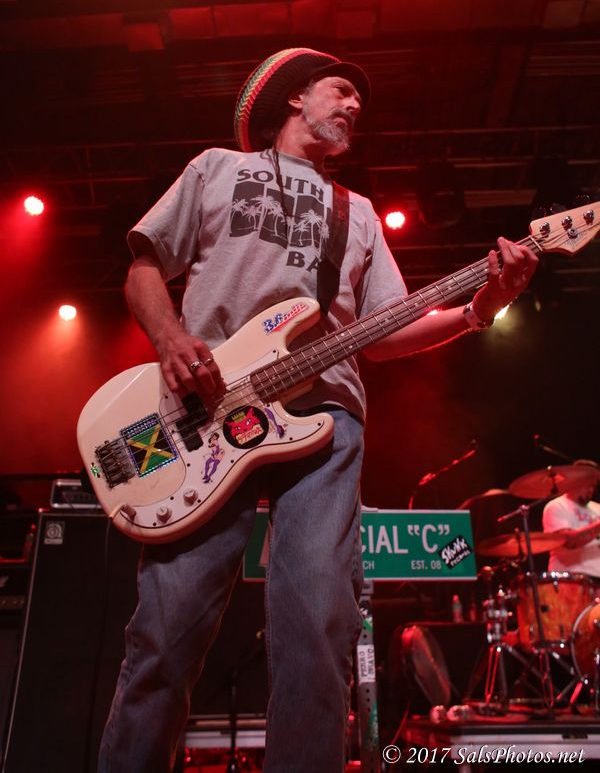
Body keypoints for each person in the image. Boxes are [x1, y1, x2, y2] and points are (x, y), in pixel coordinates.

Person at [98, 47, 538, 773]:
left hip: (326, 420)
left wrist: (481, 307)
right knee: (166, 633)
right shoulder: (216, 168)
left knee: (317, 631)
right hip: (207, 414)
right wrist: (171, 337)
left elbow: (386, 331)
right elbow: (145, 267)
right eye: (341, 90)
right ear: (294, 97)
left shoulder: (356, 212)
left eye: (358, 99)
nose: (356, 105)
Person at [543, 462, 600, 577]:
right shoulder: (556, 506)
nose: (591, 490)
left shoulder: (597, 508)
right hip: (570, 579)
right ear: (575, 481)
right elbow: (568, 541)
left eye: (594, 486)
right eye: (588, 485)